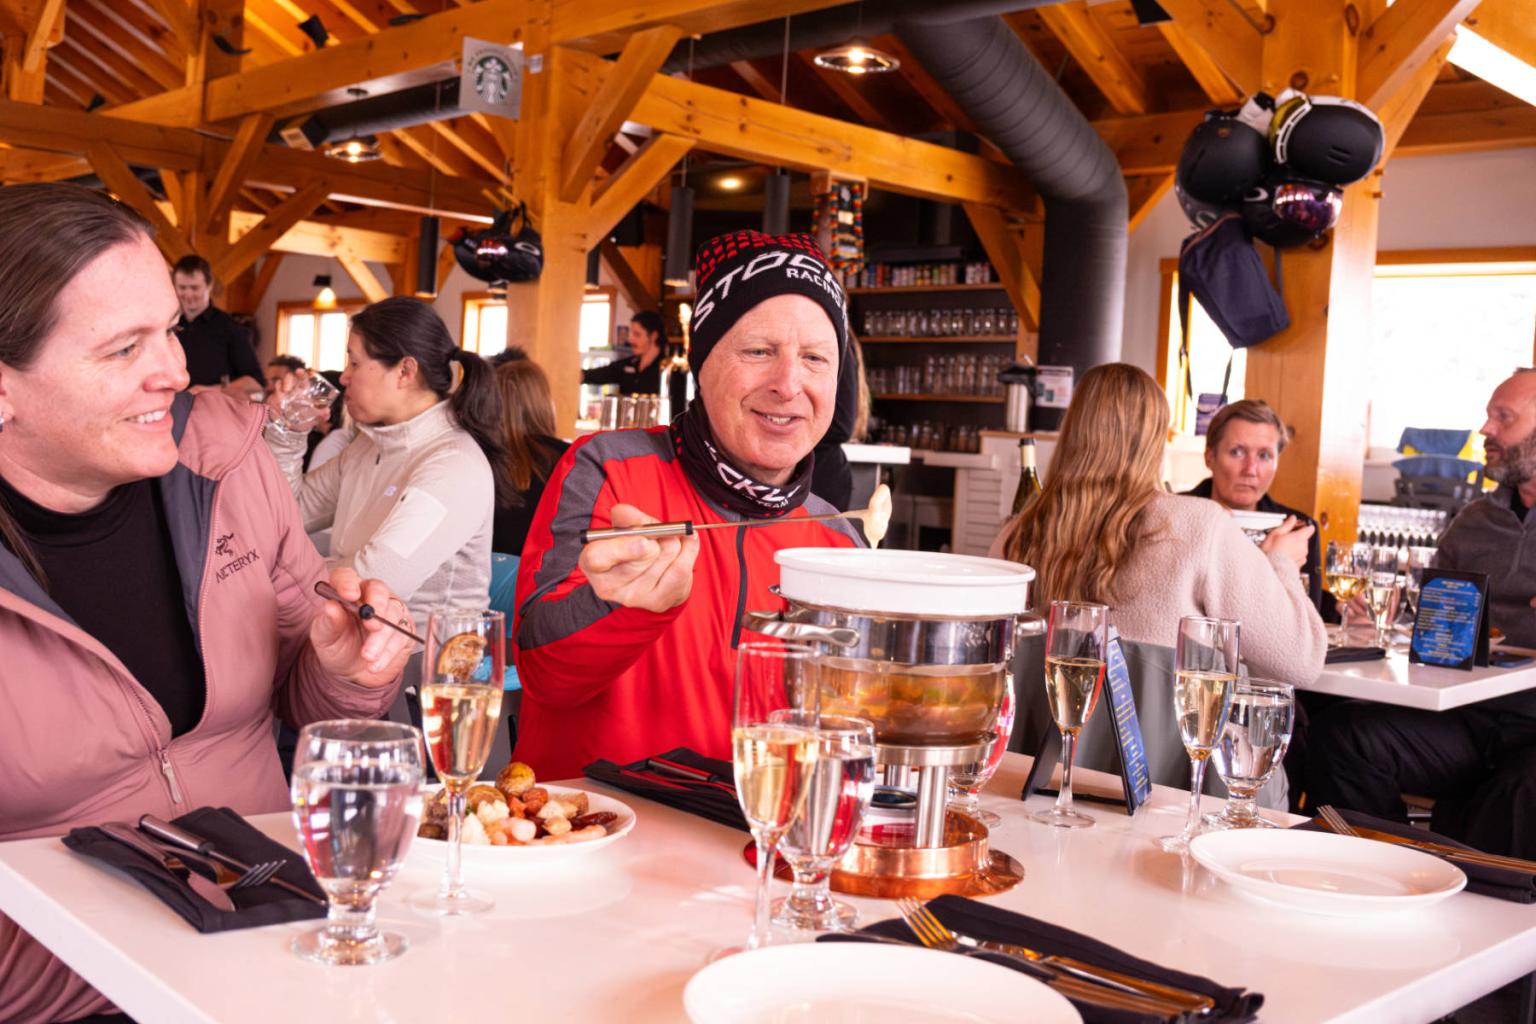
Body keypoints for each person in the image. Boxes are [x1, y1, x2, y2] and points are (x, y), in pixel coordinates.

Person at [0, 183, 414, 1024]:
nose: (177, 372)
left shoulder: (227, 457)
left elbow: (302, 698)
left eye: (172, 330)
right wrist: (167, 941)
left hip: (290, 956)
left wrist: (345, 674)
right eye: (123, 350)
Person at [513, 231, 864, 778]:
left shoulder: (841, 540)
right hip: (588, 838)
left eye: (816, 358)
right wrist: (621, 607)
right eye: (759, 351)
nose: (789, 384)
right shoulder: (609, 469)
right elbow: (542, 673)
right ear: (703, 363)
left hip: (755, 850)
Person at [1308, 369, 1536, 856]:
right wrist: (1390, 625)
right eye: (1489, 415)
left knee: (1521, 792)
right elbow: (1430, 627)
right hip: (1468, 720)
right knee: (1345, 735)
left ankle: (1481, 908)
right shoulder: (1474, 521)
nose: (1485, 431)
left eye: (1504, 417)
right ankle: (1376, 873)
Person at [993, 364, 1326, 687]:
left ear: (1072, 432)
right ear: (1155, 441)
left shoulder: (1017, 532)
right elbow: (1301, 662)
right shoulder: (1201, 525)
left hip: (1039, 742)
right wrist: (1280, 564)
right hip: (1169, 743)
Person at [264, 297, 511, 630]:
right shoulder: (370, 445)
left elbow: (371, 583)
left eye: (354, 362)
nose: (344, 377)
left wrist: (270, 574)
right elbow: (283, 517)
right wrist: (288, 435)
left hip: (424, 663)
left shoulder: (453, 466)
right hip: (348, 642)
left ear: (405, 372)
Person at [1184, 399, 1327, 613]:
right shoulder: (1174, 516)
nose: (1251, 469)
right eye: (1237, 452)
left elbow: (1307, 615)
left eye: (1264, 456)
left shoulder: (1298, 528)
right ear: (1209, 457)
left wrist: (1346, 608)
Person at [491, 349, 569, 556]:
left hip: (486, 580)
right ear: (544, 403)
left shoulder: (479, 458)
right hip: (543, 582)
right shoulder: (569, 459)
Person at [170, 254, 265, 399]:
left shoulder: (231, 328)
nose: (188, 294)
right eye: (182, 287)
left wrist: (210, 390)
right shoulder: (168, 326)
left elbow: (256, 383)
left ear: (209, 286)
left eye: (194, 288)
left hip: (216, 411)